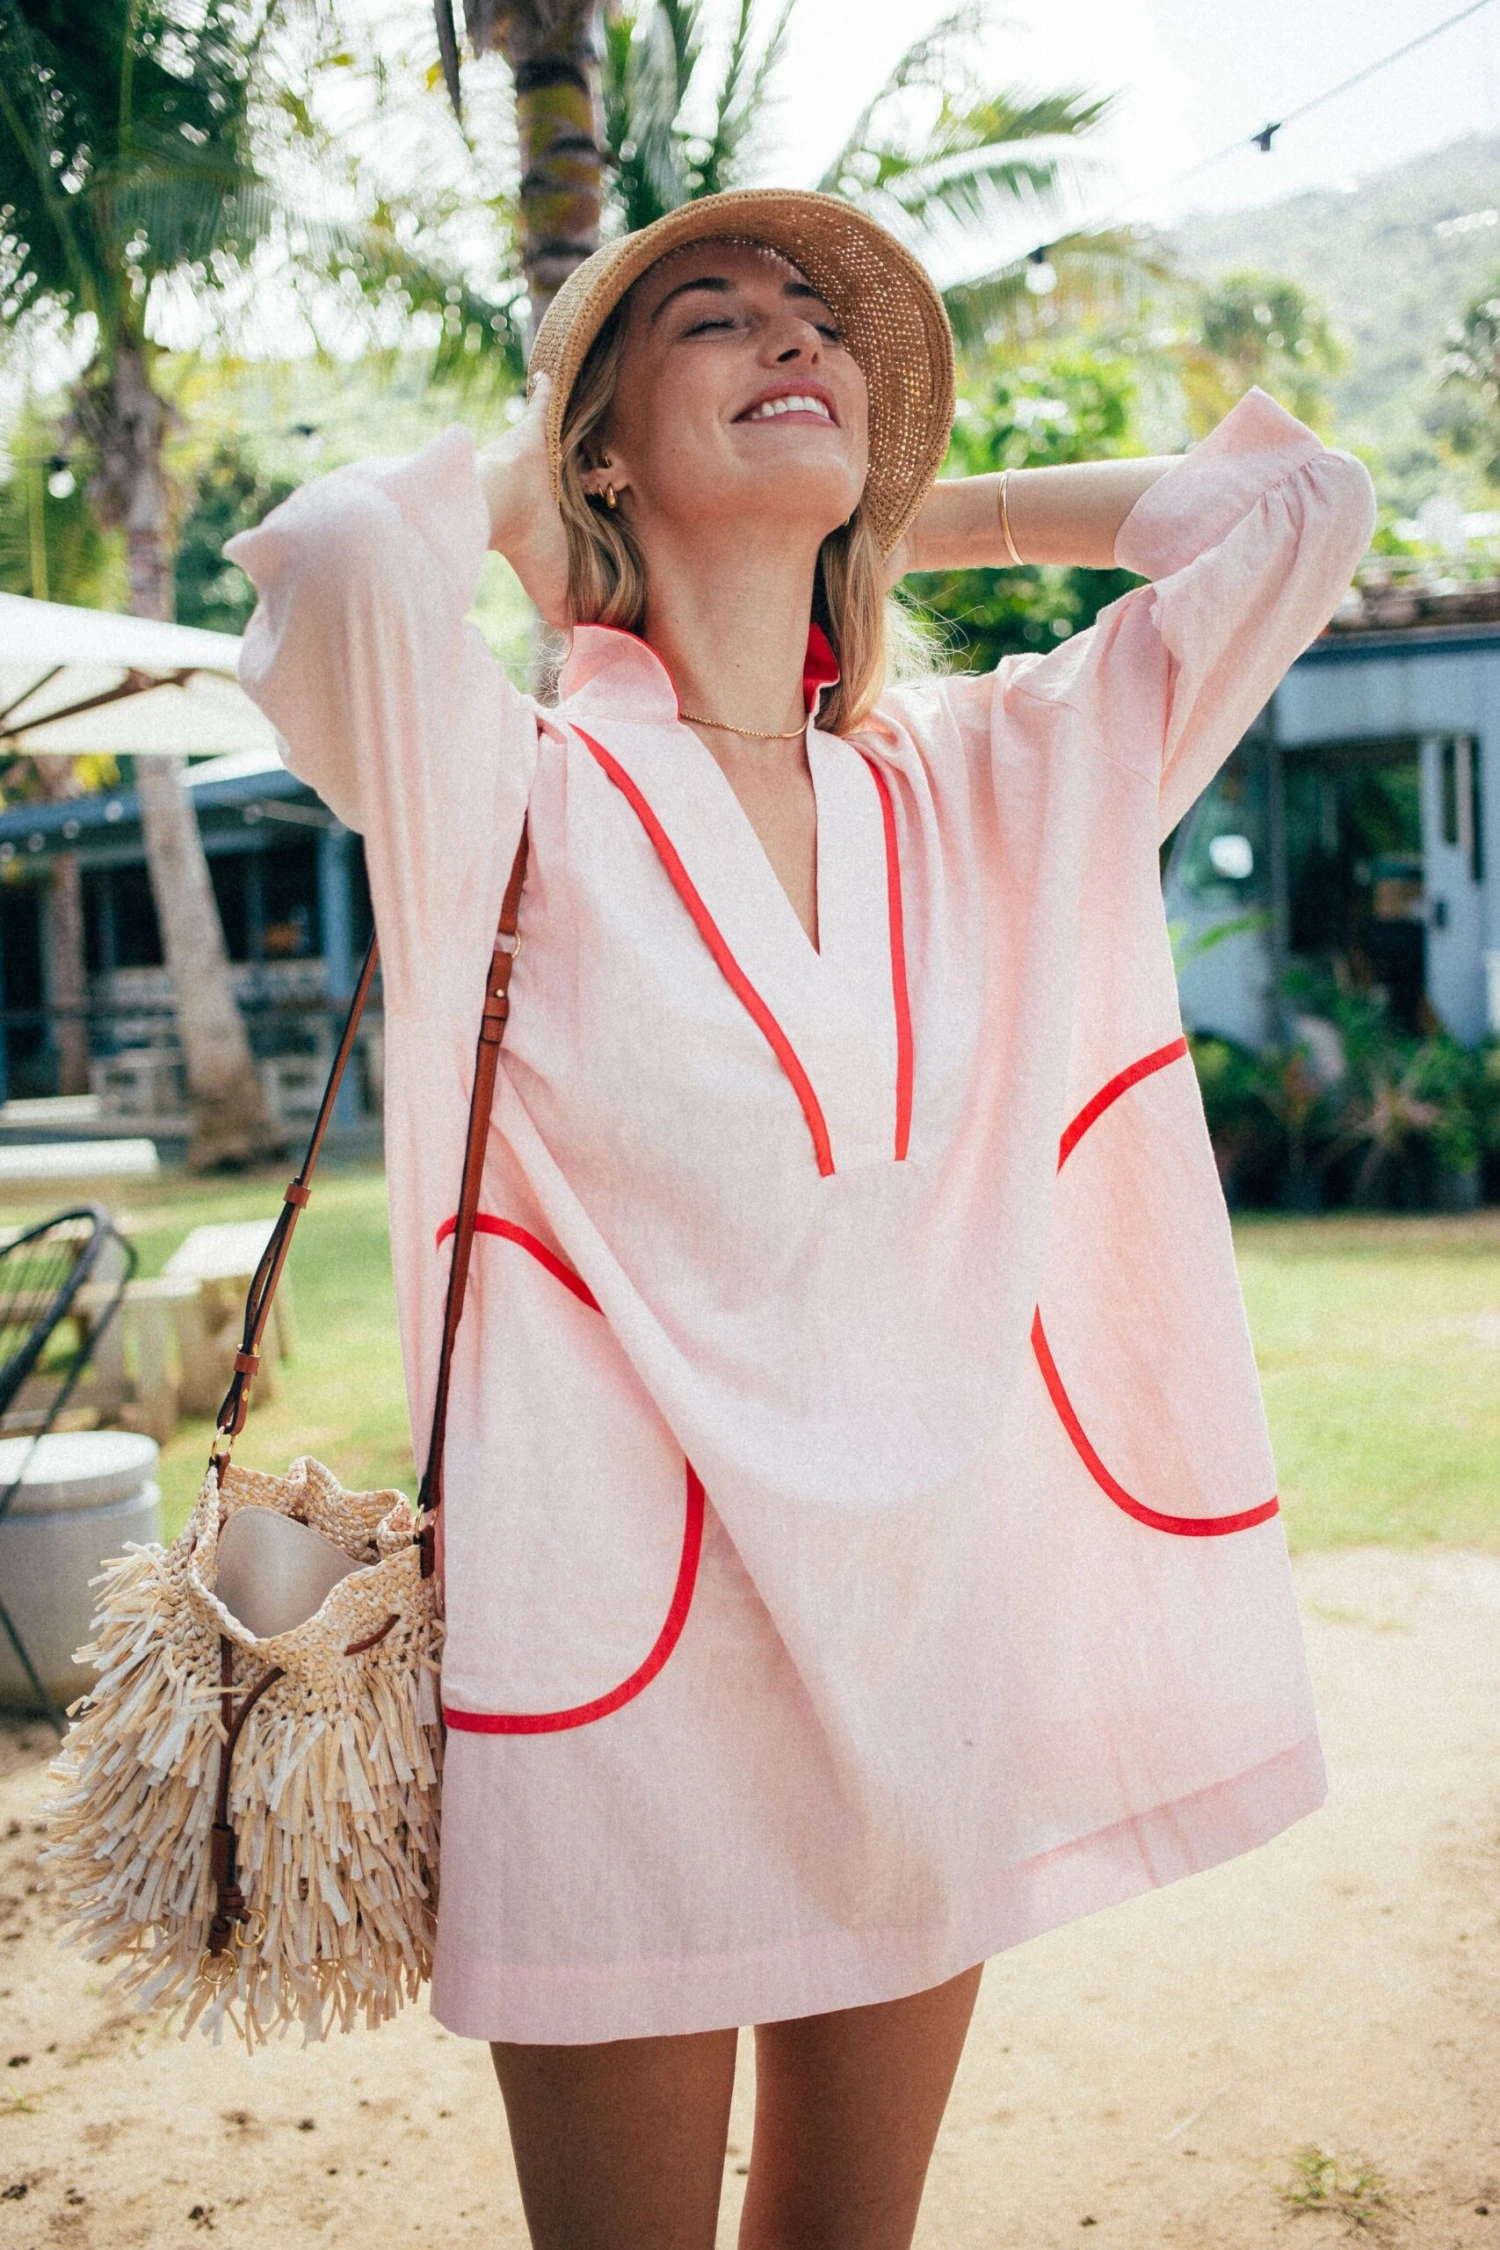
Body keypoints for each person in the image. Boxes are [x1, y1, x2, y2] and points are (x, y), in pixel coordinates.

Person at [227, 188, 1375, 2250]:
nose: (795, 337)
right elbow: (331, 569)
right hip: (621, 1678)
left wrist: (905, 512)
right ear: (597, 445)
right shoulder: (510, 786)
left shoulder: (987, 779)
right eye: (714, 317)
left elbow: (1299, 519)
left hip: (928, 1655)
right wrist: (538, 491)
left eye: (817, 322)